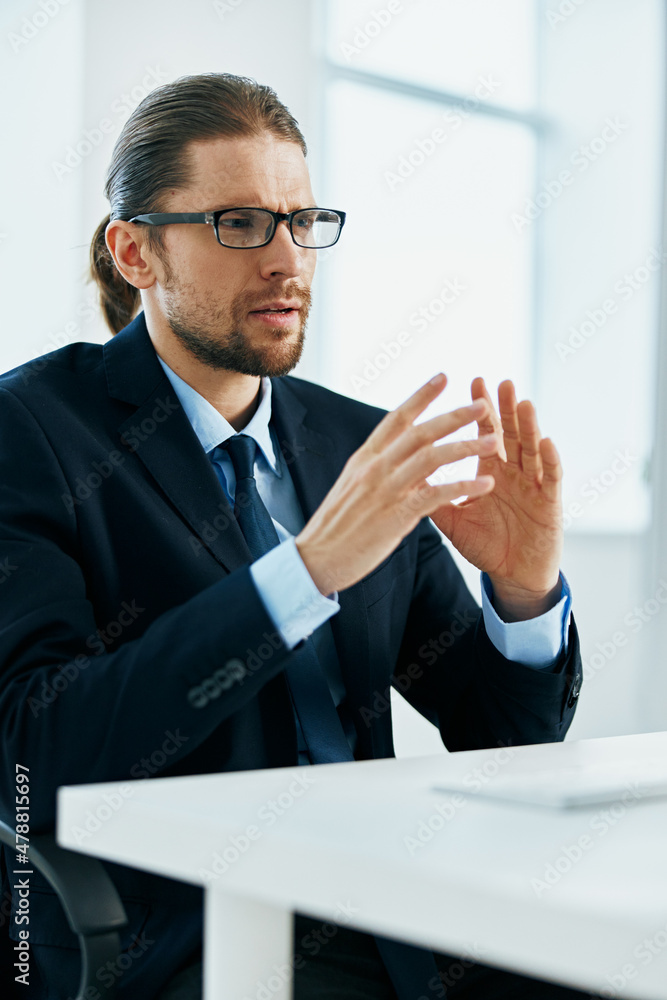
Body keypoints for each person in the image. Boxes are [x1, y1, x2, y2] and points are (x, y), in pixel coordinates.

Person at [0, 72, 592, 1000]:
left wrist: (523, 594)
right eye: (238, 224)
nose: (287, 259)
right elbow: (33, 756)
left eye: (301, 220)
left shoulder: (355, 442)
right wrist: (305, 573)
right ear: (135, 252)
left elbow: (498, 738)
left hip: (395, 909)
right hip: (186, 937)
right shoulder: (30, 430)